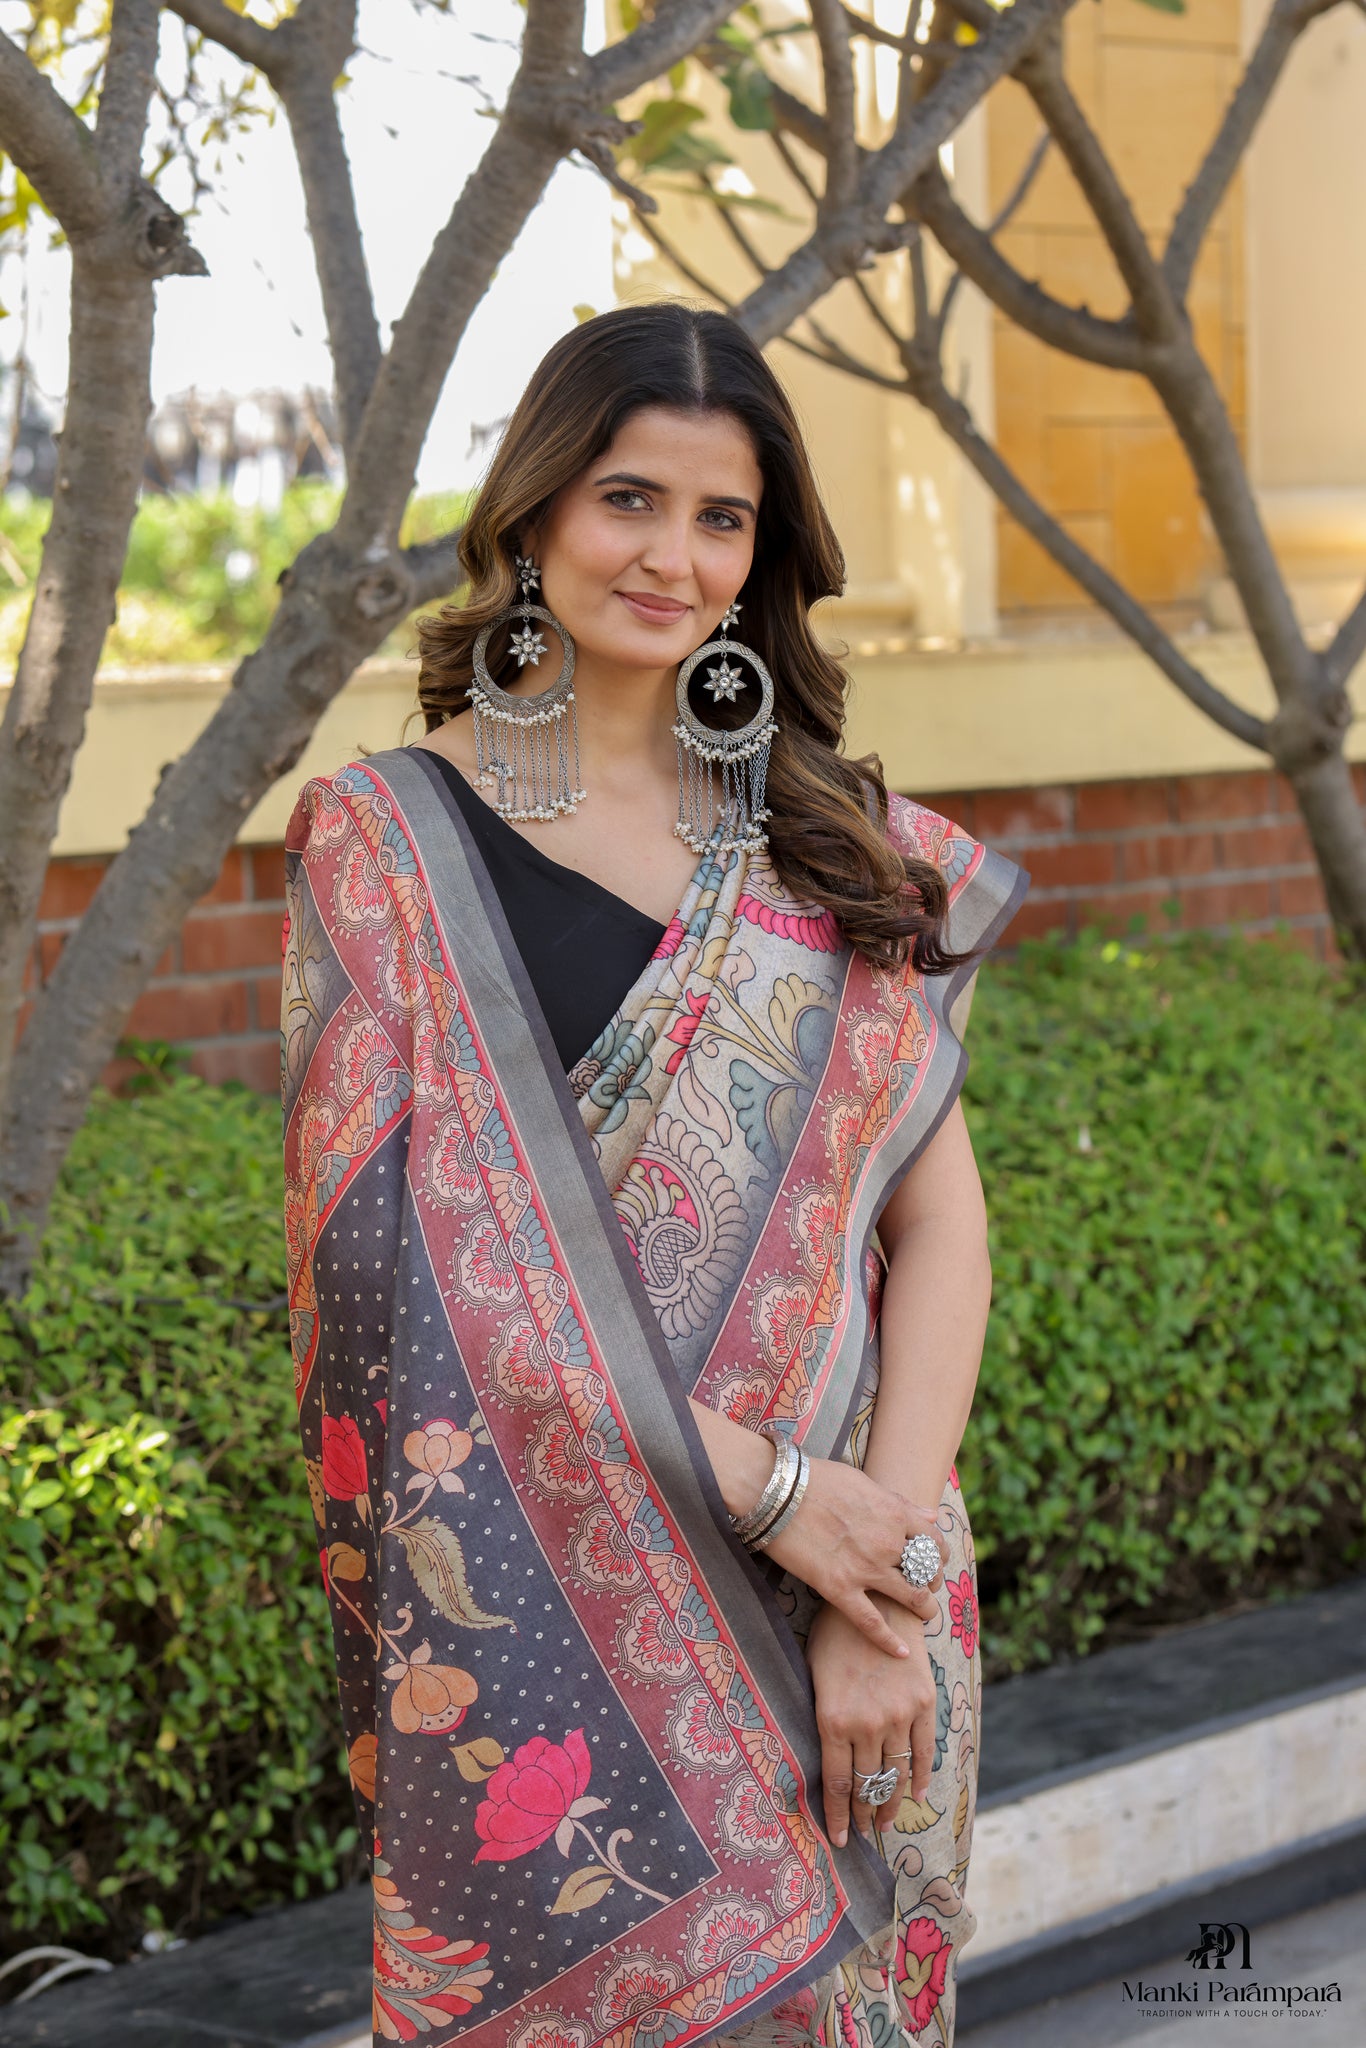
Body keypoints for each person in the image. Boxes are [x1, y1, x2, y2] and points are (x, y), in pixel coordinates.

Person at [280, 301, 1028, 2048]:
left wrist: (883, 1583)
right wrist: (773, 1492)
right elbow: (403, 1290)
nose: (672, 557)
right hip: (544, 1619)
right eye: (628, 499)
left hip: (859, 1591)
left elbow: (939, 1225)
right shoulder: (390, 843)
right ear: (535, 514)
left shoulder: (831, 838)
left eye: (723, 518)